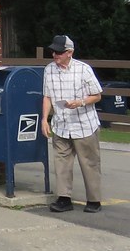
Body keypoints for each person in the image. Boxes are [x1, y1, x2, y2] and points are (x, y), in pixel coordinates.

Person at [41, 34, 104, 212]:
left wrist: (80, 102)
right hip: (61, 124)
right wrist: (45, 119)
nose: (55, 55)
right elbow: (47, 96)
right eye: (53, 52)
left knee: (89, 163)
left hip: (84, 124)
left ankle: (94, 200)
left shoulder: (83, 69)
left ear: (70, 52)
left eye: (59, 52)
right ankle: (63, 198)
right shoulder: (49, 70)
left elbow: (97, 95)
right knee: (61, 163)